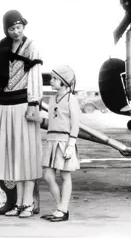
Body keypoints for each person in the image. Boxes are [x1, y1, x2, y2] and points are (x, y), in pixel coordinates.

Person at [0, 10, 43, 218]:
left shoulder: (32, 47)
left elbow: (35, 75)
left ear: (24, 26)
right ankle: (18, 203)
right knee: (13, 157)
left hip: (24, 104)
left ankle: (28, 203)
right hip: (5, 105)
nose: (16, 32)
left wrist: (34, 102)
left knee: (27, 156)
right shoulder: (3, 47)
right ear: (6, 29)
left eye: (19, 27)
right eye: (11, 28)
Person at [42, 65, 80, 222]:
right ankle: (61, 207)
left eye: (54, 79)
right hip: (51, 140)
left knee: (65, 175)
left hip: (65, 142)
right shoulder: (52, 99)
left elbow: (76, 124)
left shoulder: (72, 99)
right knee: (47, 176)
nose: (51, 81)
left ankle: (62, 209)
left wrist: (71, 145)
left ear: (64, 82)